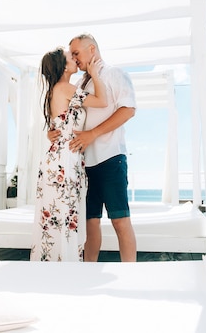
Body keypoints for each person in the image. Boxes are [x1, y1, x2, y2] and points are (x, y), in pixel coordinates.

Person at [52, 33, 137, 262]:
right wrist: (56, 131)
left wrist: (92, 134)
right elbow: (67, 115)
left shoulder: (114, 74)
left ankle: (132, 274)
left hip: (110, 159)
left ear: (92, 50)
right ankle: (88, 272)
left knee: (120, 221)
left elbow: (128, 110)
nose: (74, 58)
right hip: (83, 165)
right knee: (89, 223)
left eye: (76, 53)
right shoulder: (80, 83)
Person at [30, 47, 107, 262]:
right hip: (64, 161)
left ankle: (58, 265)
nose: (74, 58)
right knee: (63, 215)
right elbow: (102, 101)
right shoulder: (64, 88)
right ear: (64, 66)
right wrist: (94, 74)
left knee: (60, 217)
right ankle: (64, 267)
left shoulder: (59, 88)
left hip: (64, 158)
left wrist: (52, 133)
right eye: (69, 57)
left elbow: (59, 123)